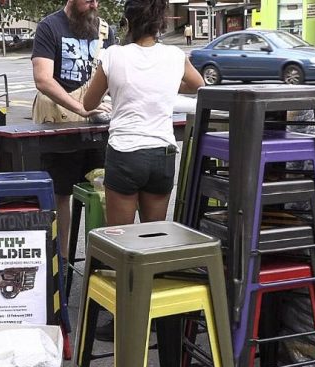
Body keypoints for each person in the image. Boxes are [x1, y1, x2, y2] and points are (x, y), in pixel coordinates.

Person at [82, 0, 205, 340]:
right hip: (162, 154)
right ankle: (155, 313)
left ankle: (120, 318)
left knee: (120, 243)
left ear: (127, 21)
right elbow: (198, 86)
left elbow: (89, 103)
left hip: (125, 153)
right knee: (153, 239)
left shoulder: (114, 56)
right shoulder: (175, 57)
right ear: (161, 22)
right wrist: (164, 87)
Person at [31, 0, 116, 270]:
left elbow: (114, 74)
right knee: (59, 193)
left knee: (105, 190)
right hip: (58, 120)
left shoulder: (105, 31)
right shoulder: (49, 26)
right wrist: (81, 107)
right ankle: (62, 261)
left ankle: (102, 263)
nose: (94, 4)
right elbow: (43, 79)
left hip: (96, 123)